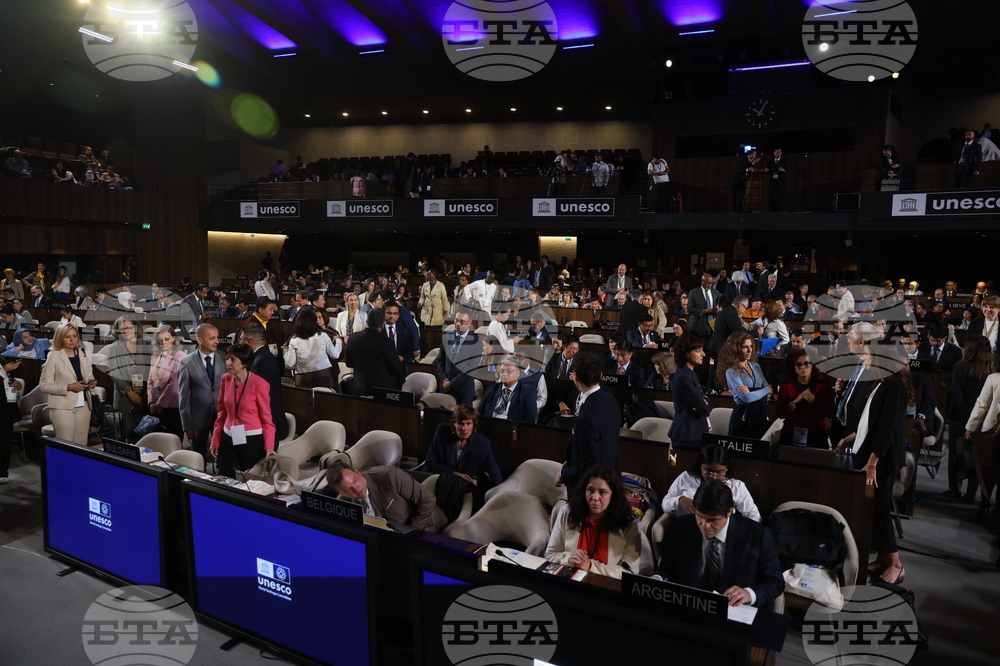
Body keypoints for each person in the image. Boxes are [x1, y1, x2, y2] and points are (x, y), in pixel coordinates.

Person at [834, 329, 910, 584]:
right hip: (869, 455)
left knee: (879, 510)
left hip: (881, 460)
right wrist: (848, 439)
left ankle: (896, 565)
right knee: (870, 510)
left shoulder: (896, 385)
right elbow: (869, 423)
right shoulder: (881, 382)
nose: (864, 358)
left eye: (867, 353)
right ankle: (883, 558)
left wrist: (872, 463)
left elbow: (886, 428)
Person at [654, 480, 784, 609]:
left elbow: (775, 582)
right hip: (691, 606)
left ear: (729, 512)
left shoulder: (757, 536)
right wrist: (658, 578)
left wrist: (749, 594)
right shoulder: (680, 527)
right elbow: (667, 569)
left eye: (712, 520)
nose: (705, 525)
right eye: (699, 516)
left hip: (736, 610)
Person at [545, 466, 642, 578]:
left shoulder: (629, 524)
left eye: (602, 492)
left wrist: (591, 566)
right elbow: (550, 555)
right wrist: (568, 558)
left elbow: (630, 573)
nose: (595, 497)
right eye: (590, 490)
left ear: (613, 495)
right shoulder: (567, 512)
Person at [323, 460, 447, 532]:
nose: (356, 489)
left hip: (424, 526)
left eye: (355, 481)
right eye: (348, 489)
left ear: (358, 472)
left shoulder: (389, 476)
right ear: (341, 492)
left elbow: (427, 500)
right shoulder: (343, 502)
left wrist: (410, 533)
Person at [209, 343, 275, 478]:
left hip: (251, 440)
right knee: (225, 475)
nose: (228, 363)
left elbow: (267, 419)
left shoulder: (260, 384)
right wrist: (215, 439)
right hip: (228, 436)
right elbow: (221, 412)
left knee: (249, 479)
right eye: (227, 358)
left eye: (233, 360)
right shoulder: (226, 379)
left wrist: (269, 446)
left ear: (244, 363)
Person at [556, 352, 621, 489]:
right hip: (611, 483)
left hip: (591, 491)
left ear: (576, 377)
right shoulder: (611, 400)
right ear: (600, 375)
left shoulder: (587, 417)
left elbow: (589, 467)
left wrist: (564, 473)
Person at [948, 335, 995, 502]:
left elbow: (956, 394)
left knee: (956, 454)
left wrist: (966, 417)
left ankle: (955, 489)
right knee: (978, 457)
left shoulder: (960, 368)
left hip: (960, 418)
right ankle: (970, 494)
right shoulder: (993, 369)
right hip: (984, 421)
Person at [661, 445, 762, 521]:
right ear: (700, 466)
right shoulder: (686, 478)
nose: (713, 477)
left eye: (719, 472)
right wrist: (679, 500)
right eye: (708, 471)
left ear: (726, 469)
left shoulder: (737, 486)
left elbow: (754, 516)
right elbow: (665, 504)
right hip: (688, 529)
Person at [39, 325, 97, 445]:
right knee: (66, 445)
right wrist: (69, 387)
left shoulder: (84, 354)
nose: (72, 340)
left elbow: (89, 375)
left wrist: (92, 382)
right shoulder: (54, 356)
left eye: (74, 336)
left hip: (84, 404)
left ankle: (79, 465)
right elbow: (44, 386)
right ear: (60, 338)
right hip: (62, 407)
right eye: (67, 337)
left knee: (81, 444)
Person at [424, 404, 503, 492]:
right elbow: (430, 462)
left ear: (474, 425)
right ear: (454, 424)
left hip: (464, 487)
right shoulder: (442, 431)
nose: (464, 428)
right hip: (440, 478)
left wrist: (498, 494)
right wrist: (454, 473)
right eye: (460, 423)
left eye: (468, 423)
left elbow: (494, 472)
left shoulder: (483, 443)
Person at [178, 324, 226, 458]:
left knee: (222, 454)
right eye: (212, 338)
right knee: (198, 456)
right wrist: (187, 425)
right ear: (199, 340)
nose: (217, 341)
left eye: (217, 337)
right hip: (198, 419)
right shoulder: (186, 363)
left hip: (221, 416)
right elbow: (183, 397)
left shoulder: (224, 358)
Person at [775, 348, 834, 448]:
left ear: (813, 365)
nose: (803, 367)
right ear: (793, 366)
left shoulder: (823, 385)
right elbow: (780, 413)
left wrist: (815, 403)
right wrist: (794, 403)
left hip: (817, 434)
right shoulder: (786, 386)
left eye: (807, 363)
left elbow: (830, 412)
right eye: (798, 364)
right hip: (791, 433)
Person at [104, 317, 150, 441]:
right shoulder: (114, 348)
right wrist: (130, 393)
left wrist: (147, 391)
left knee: (146, 433)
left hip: (146, 393)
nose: (126, 331)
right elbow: (115, 372)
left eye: (129, 327)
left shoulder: (146, 344)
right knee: (129, 432)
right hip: (126, 396)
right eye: (122, 329)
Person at [718, 332, 771, 438]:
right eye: (745, 347)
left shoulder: (756, 366)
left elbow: (769, 394)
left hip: (760, 413)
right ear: (736, 349)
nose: (750, 350)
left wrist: (752, 392)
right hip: (742, 416)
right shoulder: (732, 371)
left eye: (751, 346)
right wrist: (765, 391)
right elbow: (746, 398)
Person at [344, 308, 405, 396]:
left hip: (359, 388)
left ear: (367, 321)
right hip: (381, 391)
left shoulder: (353, 338)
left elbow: (349, 363)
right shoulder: (386, 342)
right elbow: (396, 368)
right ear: (382, 325)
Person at [668, 337, 712, 449]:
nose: (703, 354)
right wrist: (704, 404)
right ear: (686, 354)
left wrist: (706, 403)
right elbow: (704, 409)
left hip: (694, 432)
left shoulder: (689, 373)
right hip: (687, 435)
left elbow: (707, 403)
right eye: (698, 351)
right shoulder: (683, 377)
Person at [146, 325, 187, 439]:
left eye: (167, 339)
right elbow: (150, 380)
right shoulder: (155, 356)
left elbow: (174, 386)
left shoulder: (180, 356)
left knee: (173, 439)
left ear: (173, 338)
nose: (163, 342)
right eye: (160, 340)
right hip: (156, 405)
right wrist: (151, 402)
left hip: (173, 406)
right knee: (158, 440)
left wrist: (160, 404)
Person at [285, 308, 341, 389]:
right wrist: (338, 341)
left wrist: (285, 350)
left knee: (305, 401)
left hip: (303, 377)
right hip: (323, 375)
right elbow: (335, 355)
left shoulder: (294, 340)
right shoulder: (323, 336)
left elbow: (290, 363)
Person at [435, 310, 482, 407]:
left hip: (463, 390)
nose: (457, 324)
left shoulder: (476, 342)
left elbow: (470, 368)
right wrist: (445, 380)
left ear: (470, 322)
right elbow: (440, 360)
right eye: (456, 320)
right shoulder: (447, 337)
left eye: (461, 321)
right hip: (445, 387)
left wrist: (452, 384)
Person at [480, 358, 536, 423]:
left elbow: (529, 419)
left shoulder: (527, 391)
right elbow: (480, 412)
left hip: (512, 428)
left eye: (509, 371)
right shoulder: (491, 389)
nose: (504, 374)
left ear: (518, 373)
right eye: (502, 371)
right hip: (490, 425)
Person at [0, 358, 25, 483]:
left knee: (5, 442)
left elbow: (7, 381)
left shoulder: (3, 362)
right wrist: (3, 370)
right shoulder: (4, 367)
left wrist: (16, 384)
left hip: (6, 407)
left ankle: (3, 472)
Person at [688, 272, 721, 338]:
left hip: (712, 327)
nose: (709, 285)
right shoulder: (693, 292)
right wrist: (703, 311)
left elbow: (719, 305)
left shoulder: (716, 292)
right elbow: (690, 309)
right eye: (707, 283)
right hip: (698, 326)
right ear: (702, 281)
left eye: (711, 283)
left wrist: (718, 309)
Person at [731, 149, 759, 213]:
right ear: (750, 154)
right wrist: (748, 169)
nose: (755, 155)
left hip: (742, 180)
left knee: (741, 196)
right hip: (736, 180)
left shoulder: (750, 160)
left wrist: (753, 164)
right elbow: (739, 169)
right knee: (733, 196)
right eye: (754, 154)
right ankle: (734, 211)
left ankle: (740, 211)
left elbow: (750, 166)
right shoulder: (743, 159)